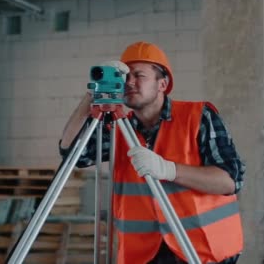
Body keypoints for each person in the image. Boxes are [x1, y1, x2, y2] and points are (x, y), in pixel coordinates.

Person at [59, 41, 245, 264]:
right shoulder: (118, 129)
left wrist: (169, 170)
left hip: (200, 251)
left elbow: (229, 181)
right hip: (144, 255)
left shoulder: (198, 117)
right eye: (125, 76)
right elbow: (72, 152)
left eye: (139, 75)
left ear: (162, 84)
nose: (130, 83)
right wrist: (91, 96)